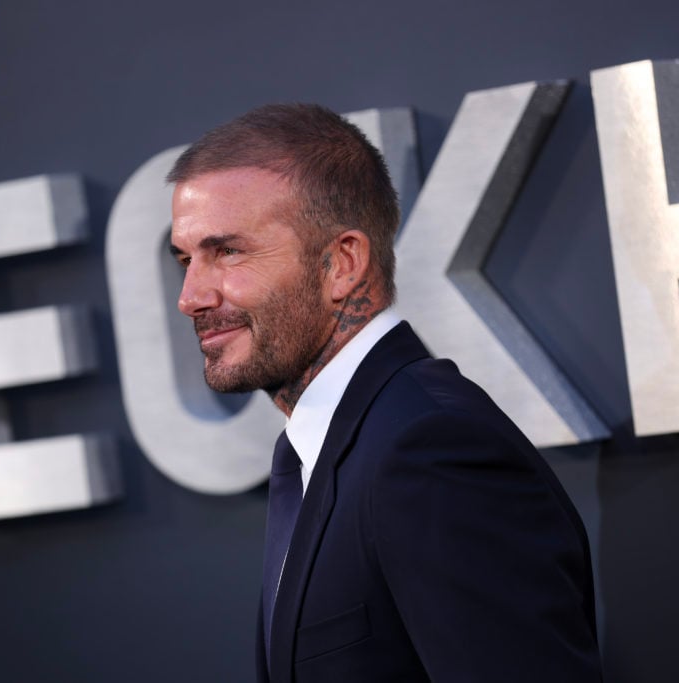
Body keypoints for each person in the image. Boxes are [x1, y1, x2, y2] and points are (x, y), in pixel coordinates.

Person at [167, 104, 602, 683]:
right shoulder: (327, 451)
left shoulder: (431, 448)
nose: (191, 296)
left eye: (228, 252)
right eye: (185, 259)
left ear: (342, 263)